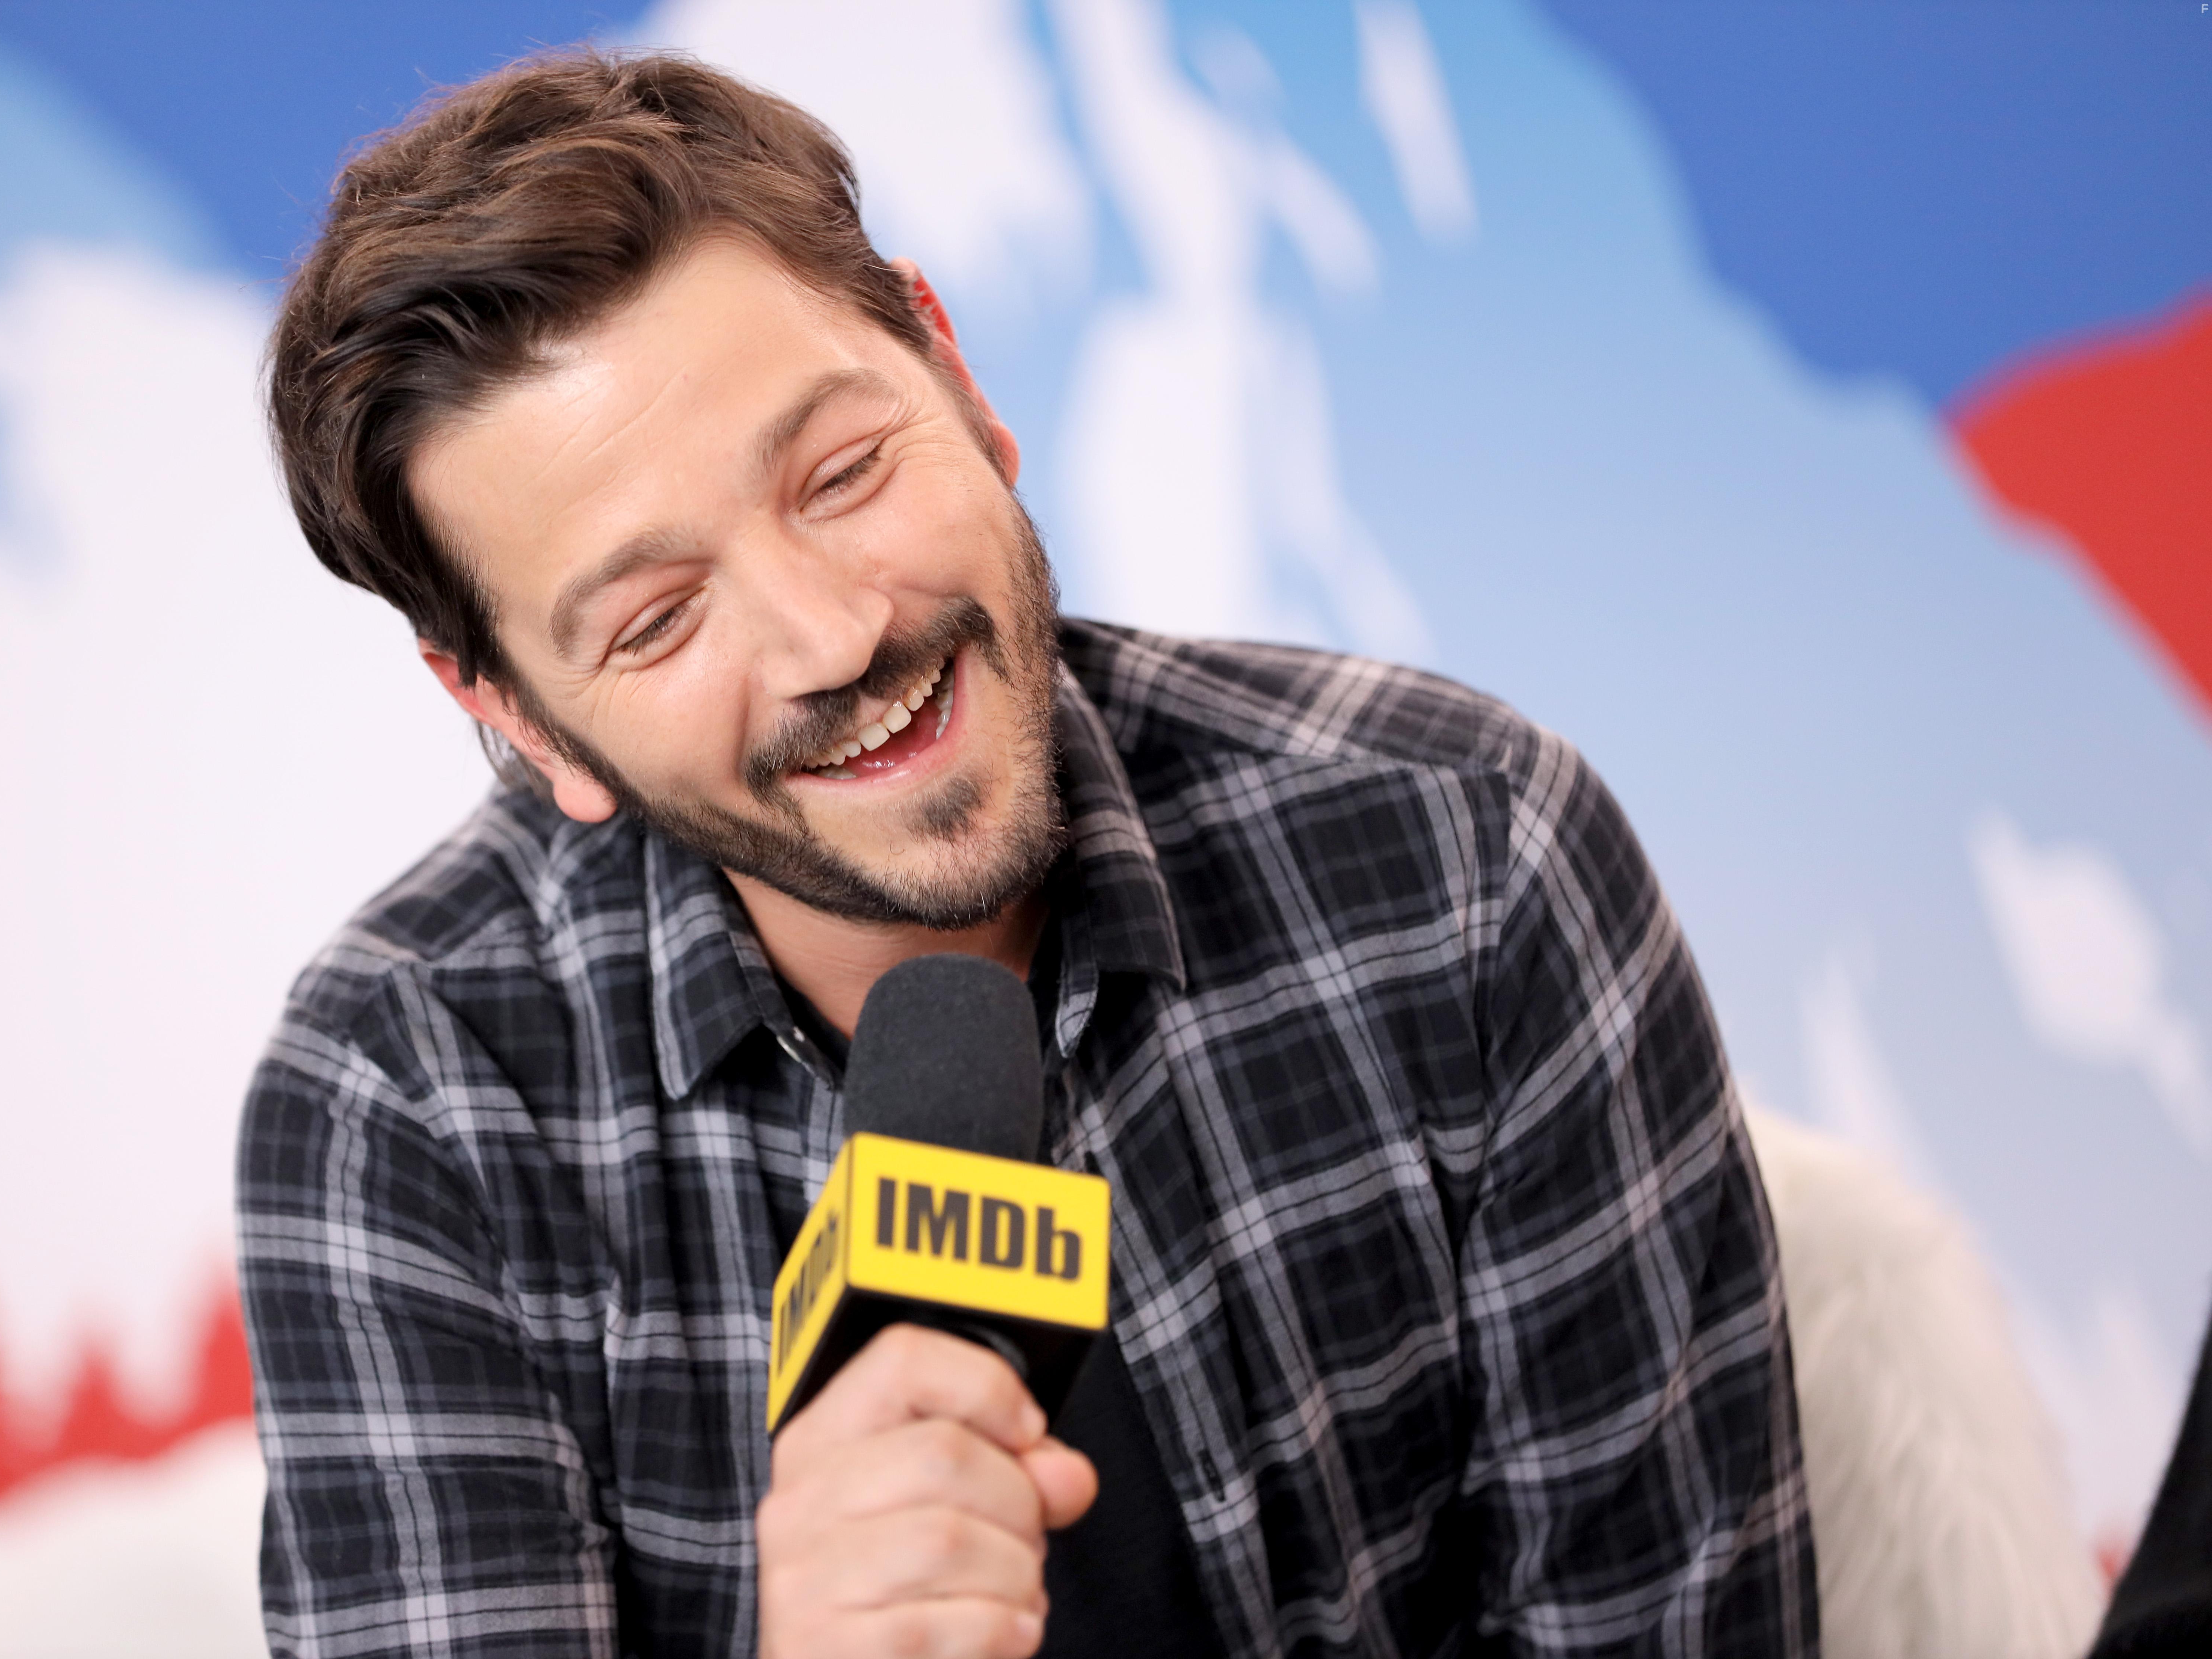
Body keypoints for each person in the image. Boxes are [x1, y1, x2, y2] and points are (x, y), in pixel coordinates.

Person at [243, 49, 1816, 1659]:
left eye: (843, 472)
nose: (836, 635)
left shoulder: (1466, 854)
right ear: (528, 721)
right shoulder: (406, 1092)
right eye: (657, 619)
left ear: (956, 375)